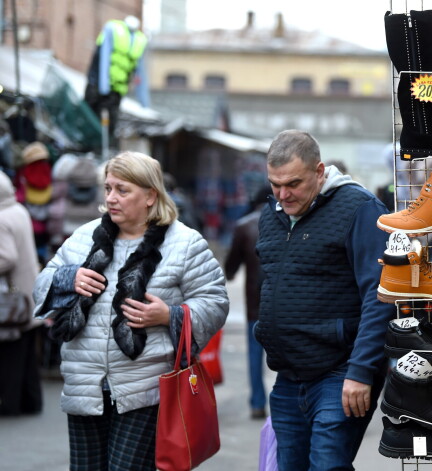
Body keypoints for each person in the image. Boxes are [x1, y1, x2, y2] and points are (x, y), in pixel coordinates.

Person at [32, 151, 229, 470]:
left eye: (123, 190)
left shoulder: (185, 243)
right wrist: (69, 277)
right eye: (108, 188)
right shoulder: (85, 237)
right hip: (85, 386)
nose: (111, 198)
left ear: (151, 195)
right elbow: (41, 285)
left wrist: (169, 315)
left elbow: (215, 302)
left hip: (145, 388)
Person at [255, 130, 395, 470]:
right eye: (275, 184)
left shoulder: (359, 208)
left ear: (320, 171)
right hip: (288, 377)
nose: (283, 194)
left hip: (340, 373)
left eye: (293, 183)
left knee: (327, 465)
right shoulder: (271, 215)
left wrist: (361, 372)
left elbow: (380, 296)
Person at [224, 184, 271, 420]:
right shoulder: (286, 222)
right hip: (283, 306)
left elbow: (231, 266)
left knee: (255, 356)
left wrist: (231, 273)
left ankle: (257, 403)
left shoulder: (244, 227)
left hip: (255, 305)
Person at [0, 170, 43, 415]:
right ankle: (31, 401)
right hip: (28, 293)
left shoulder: (2, 218)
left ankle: (11, 404)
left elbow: (6, 257)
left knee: (10, 355)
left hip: (11, 299)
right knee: (26, 356)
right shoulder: (18, 210)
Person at [84, 15, 149, 148]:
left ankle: (103, 148)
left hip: (117, 90)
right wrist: (103, 87)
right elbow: (104, 57)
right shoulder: (112, 29)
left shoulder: (140, 40)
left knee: (110, 123)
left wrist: (144, 101)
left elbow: (140, 72)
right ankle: (88, 145)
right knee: (90, 116)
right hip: (97, 85)